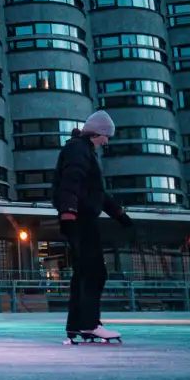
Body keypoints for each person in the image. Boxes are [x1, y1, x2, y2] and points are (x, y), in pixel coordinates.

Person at [53, 110, 134, 344]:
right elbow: (70, 181)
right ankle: (89, 324)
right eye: (106, 136)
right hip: (80, 220)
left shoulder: (84, 151)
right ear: (97, 133)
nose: (107, 141)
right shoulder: (78, 150)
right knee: (94, 272)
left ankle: (77, 324)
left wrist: (119, 214)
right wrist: (68, 214)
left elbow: (97, 194)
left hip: (81, 218)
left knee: (83, 273)